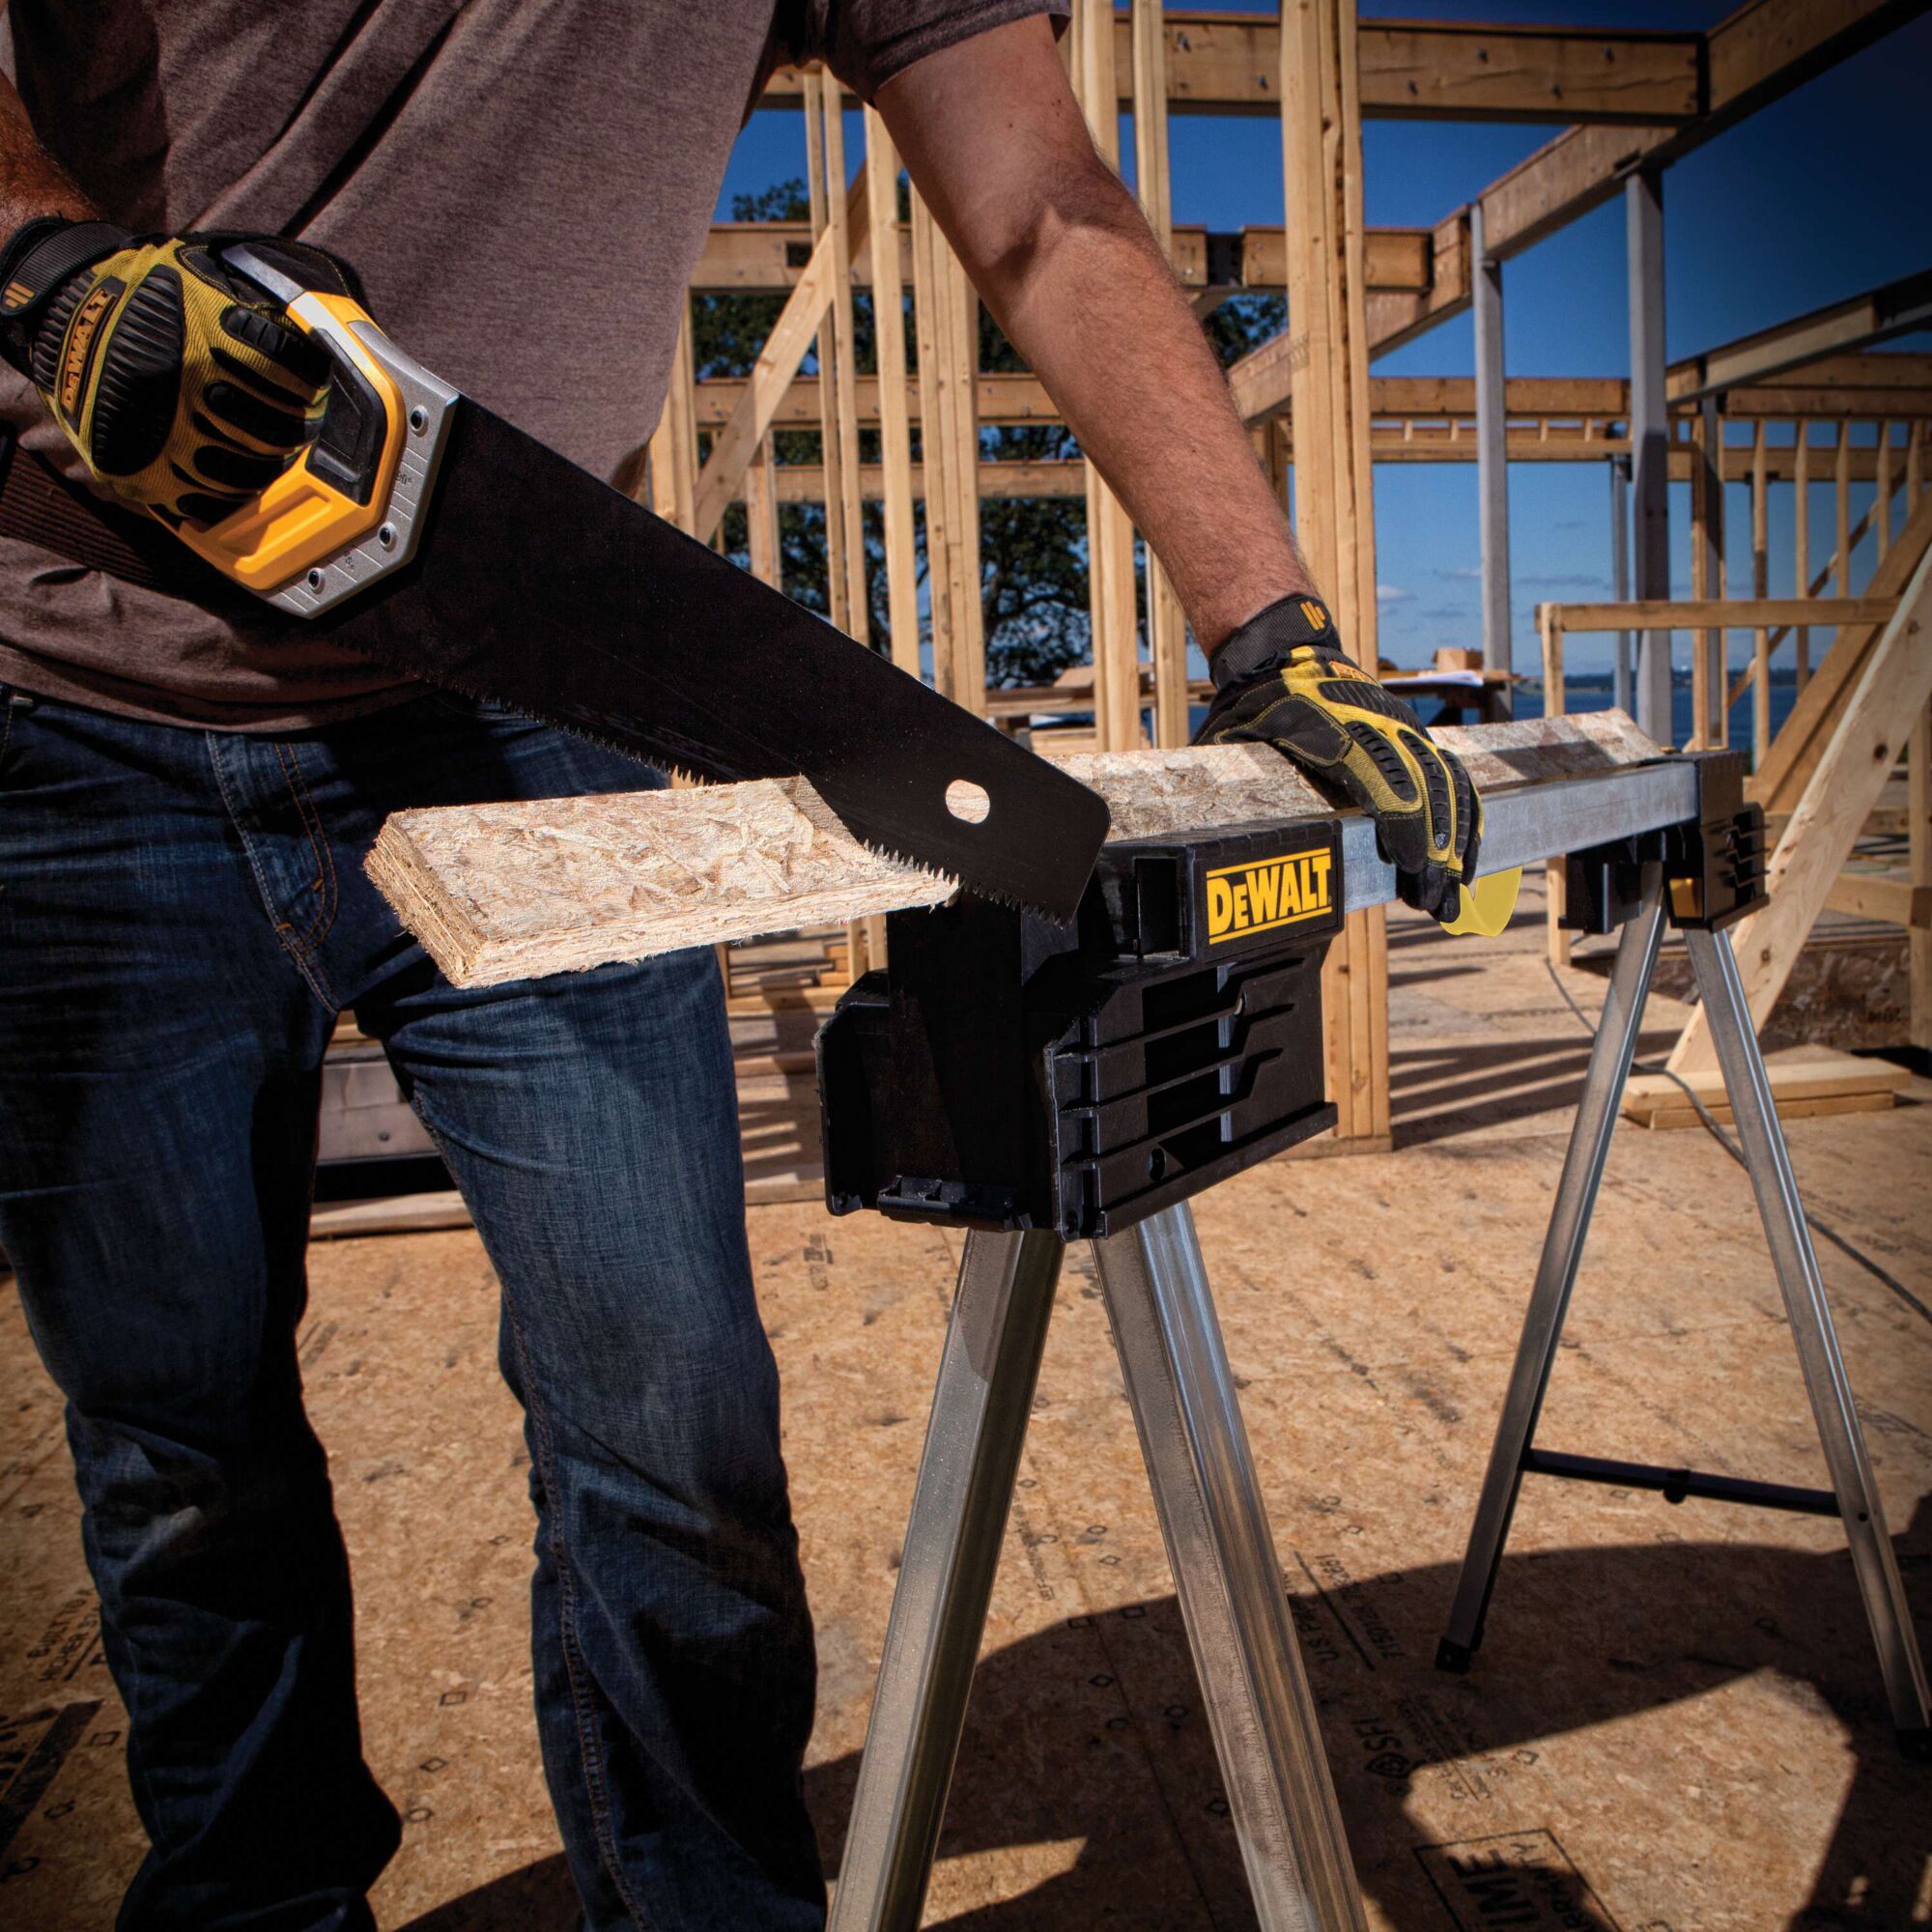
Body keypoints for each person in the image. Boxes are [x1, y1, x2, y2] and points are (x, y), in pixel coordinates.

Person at [0, 3, 1478, 1925]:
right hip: (66, 697)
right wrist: (50, 258)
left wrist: (1272, 631)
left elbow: (1042, 203)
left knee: (672, 1419)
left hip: (527, 700)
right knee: (179, 1452)